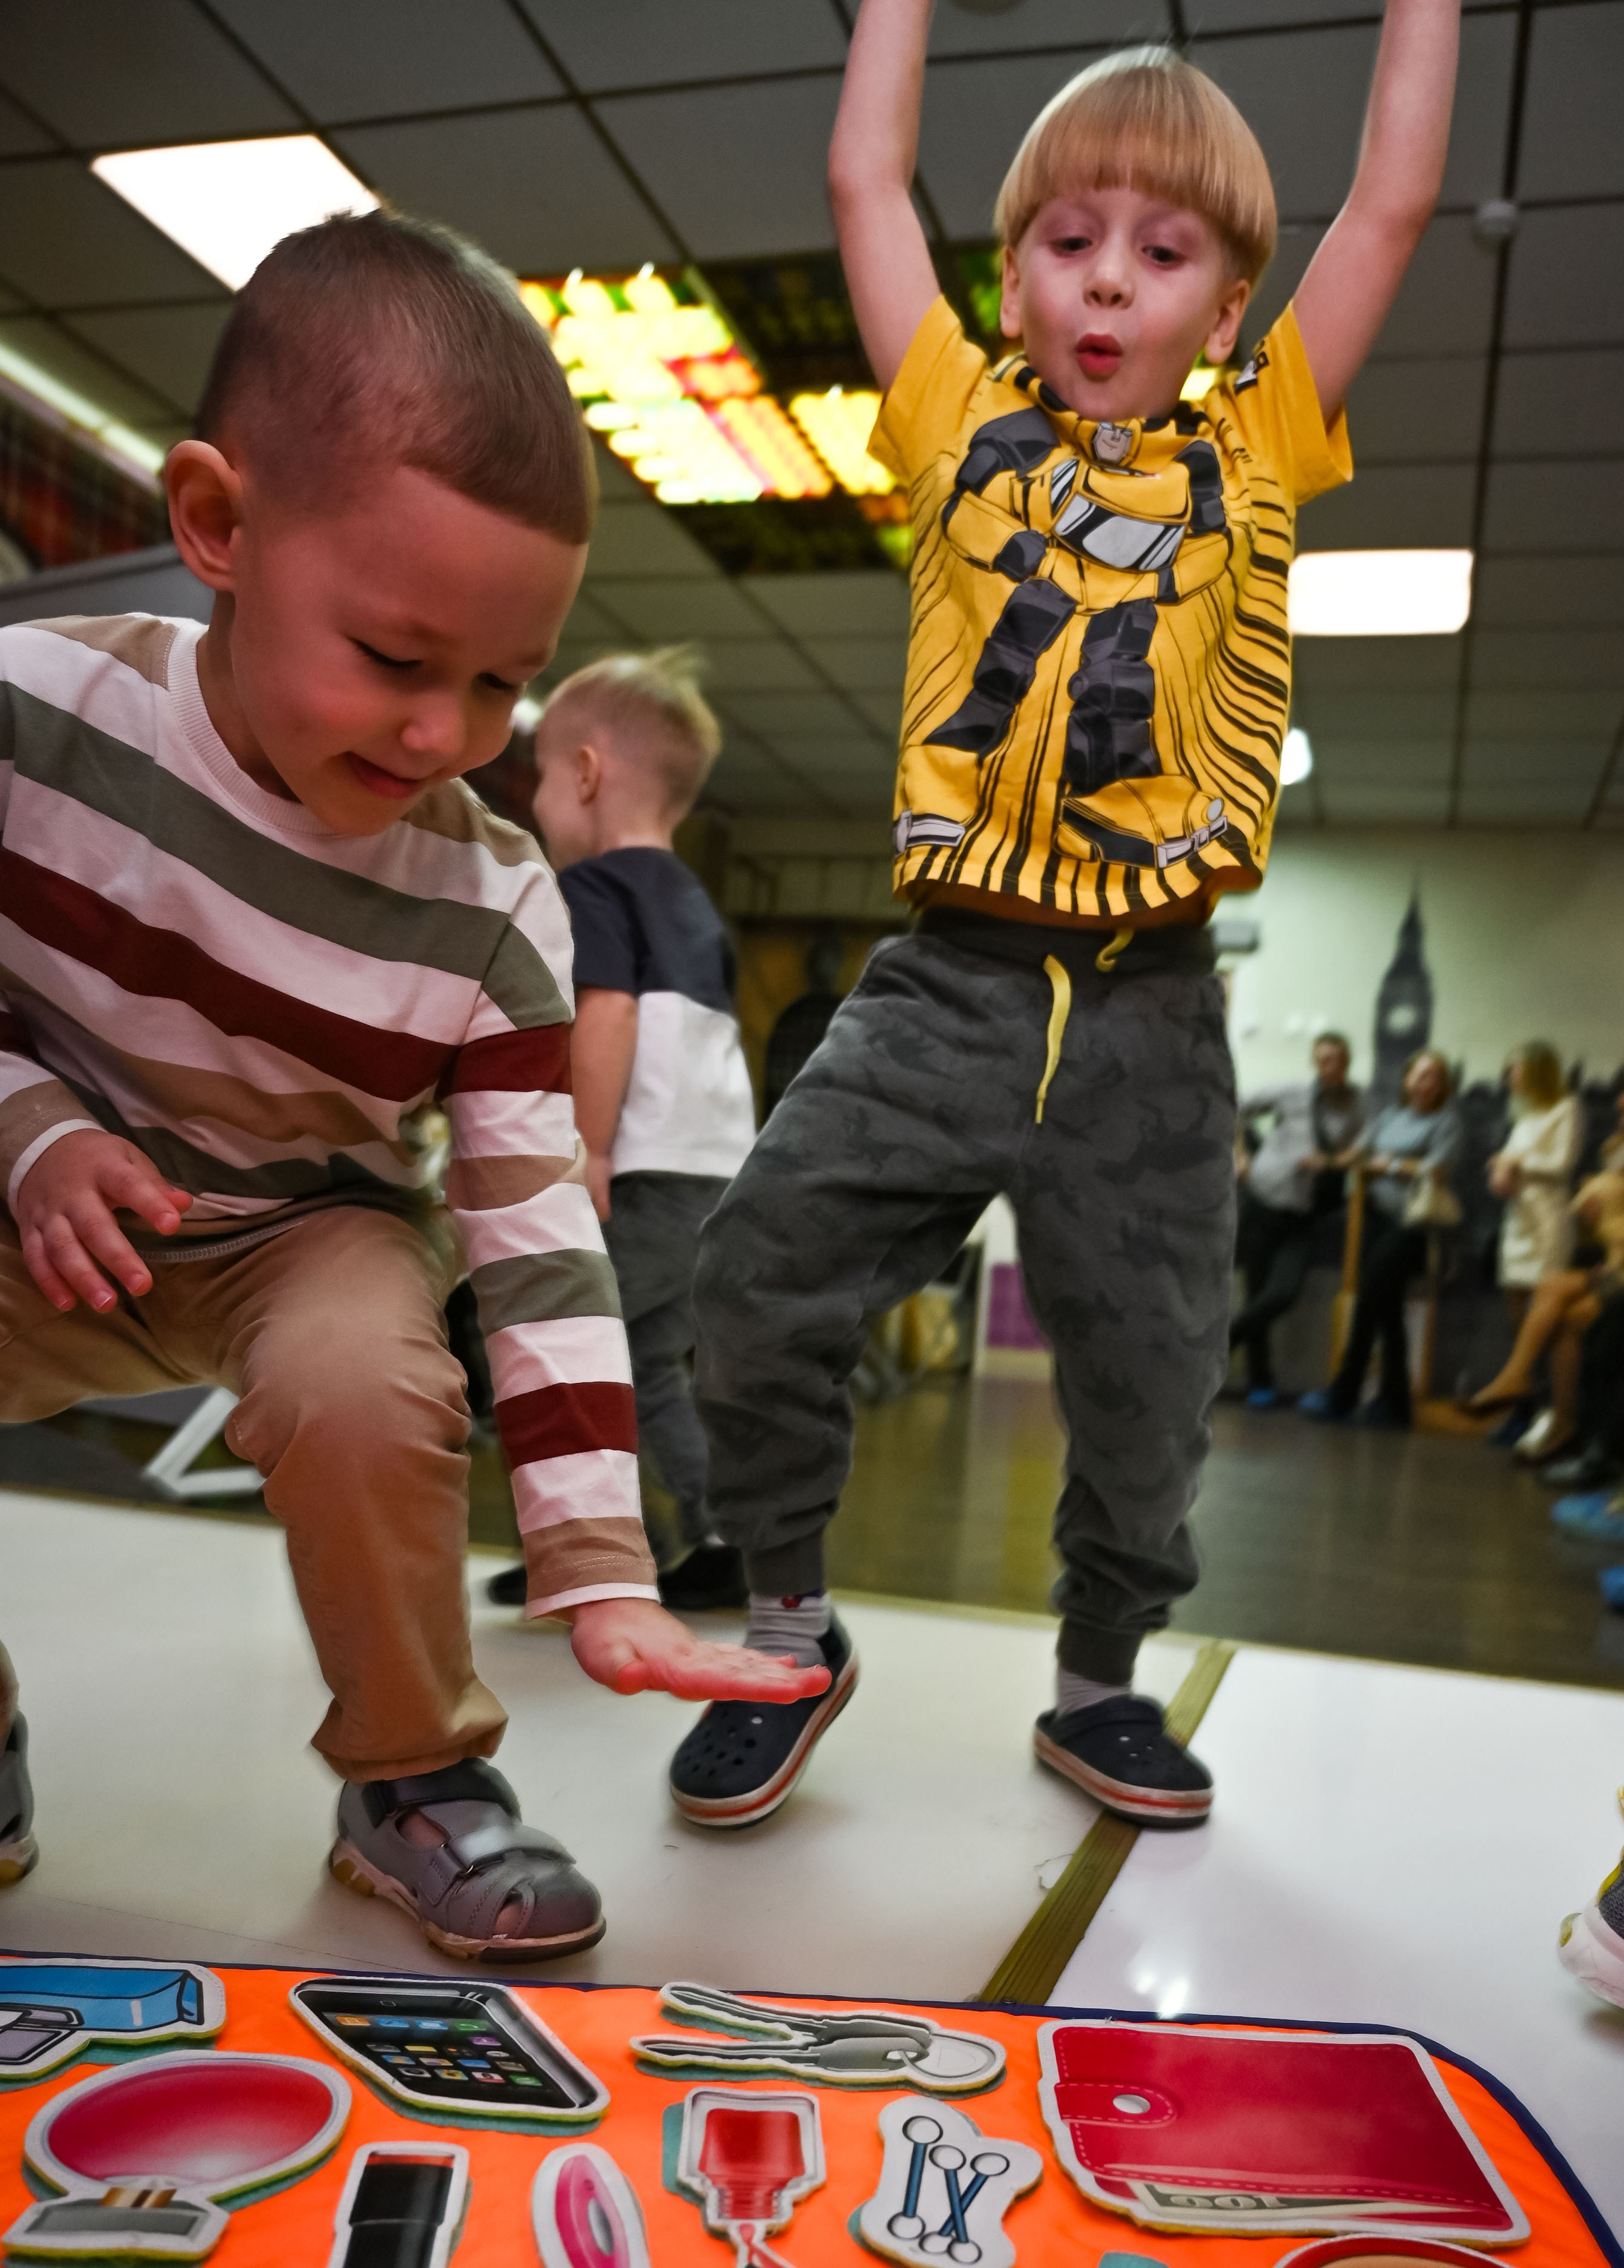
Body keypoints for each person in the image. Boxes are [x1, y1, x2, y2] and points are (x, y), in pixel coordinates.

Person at [659, 0, 1460, 1832]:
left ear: (1228, 310)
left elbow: (1394, 202)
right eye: (1067, 242)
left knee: (1154, 1367)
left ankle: (1100, 1681)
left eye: (1163, 254)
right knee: (757, 1273)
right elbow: (867, 172)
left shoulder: (1258, 450)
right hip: (947, 974)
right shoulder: (952, 423)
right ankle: (786, 1630)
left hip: (1152, 1009)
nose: (1108, 285)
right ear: (1009, 280)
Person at [0, 213, 823, 1957]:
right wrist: (30, 1126)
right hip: (41, 1191)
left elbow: (539, 1241)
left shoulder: (503, 904)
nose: (446, 732)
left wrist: (599, 1566)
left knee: (371, 1369)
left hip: (305, 1224)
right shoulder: (32, 716)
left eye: (502, 685)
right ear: (219, 526)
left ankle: (411, 1773)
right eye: (393, 657)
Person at [486, 649, 757, 1615]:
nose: (540, 805)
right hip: (715, 1177)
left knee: (539, 1350)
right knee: (644, 1365)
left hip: (641, 1172)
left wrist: (586, 1147)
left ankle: (578, 1548)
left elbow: (608, 1015)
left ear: (587, 774)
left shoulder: (595, 888)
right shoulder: (693, 903)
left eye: (545, 778)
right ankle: (720, 1540)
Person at [1302, 1049, 1462, 1428]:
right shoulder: (1389, 1116)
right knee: (1386, 1311)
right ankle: (1395, 1405)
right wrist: (1326, 1160)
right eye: (1420, 1075)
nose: (1426, 1083)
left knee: (1370, 1302)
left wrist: (1388, 1164)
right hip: (1372, 1222)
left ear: (1442, 1086)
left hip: (1413, 1229)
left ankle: (1345, 1391)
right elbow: (1356, 1155)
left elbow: (1436, 1171)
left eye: (1434, 1077)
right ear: (1407, 1079)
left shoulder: (1447, 1122)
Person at [1230, 1032, 1365, 1406]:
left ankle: (1223, 1342)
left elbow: (1363, 1150)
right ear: (1314, 1062)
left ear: (1347, 1063)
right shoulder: (1292, 1092)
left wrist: (1332, 1162)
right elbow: (1234, 1107)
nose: (1329, 1066)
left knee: (1281, 1294)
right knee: (1257, 1290)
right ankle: (1261, 1381)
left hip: (1305, 1215)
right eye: (1323, 1059)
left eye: (1337, 1059)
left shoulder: (1356, 1104)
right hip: (1262, 1200)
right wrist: (1240, 1154)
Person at [1464, 1163, 1624, 1471]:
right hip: (1615, 1269)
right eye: (1619, 1114)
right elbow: (1593, 1235)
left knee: (1574, 1317)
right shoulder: (1614, 1153)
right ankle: (1522, 1382)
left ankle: (1565, 1425)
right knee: (1551, 1287)